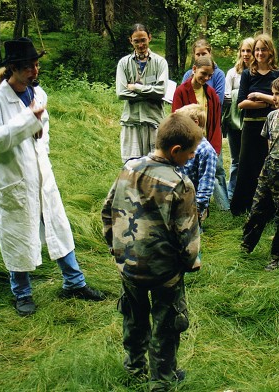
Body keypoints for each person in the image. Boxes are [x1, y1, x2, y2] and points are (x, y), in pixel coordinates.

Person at [0, 37, 105, 317]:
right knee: (17, 233)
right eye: (29, 67)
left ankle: (74, 282)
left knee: (58, 226)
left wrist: (39, 136)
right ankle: (21, 293)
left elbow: (41, 132)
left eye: (36, 65)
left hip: (41, 174)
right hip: (13, 177)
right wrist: (27, 121)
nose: (35, 71)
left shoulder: (38, 93)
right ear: (12, 68)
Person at [101, 112, 202, 391]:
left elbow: (108, 208)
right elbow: (188, 233)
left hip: (128, 265)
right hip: (163, 272)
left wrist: (114, 245)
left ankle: (134, 367)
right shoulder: (180, 184)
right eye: (191, 153)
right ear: (175, 151)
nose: (192, 157)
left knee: (133, 317)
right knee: (167, 324)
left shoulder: (129, 168)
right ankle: (161, 379)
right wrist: (190, 262)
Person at [240, 75, 279, 271]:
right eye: (273, 93)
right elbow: (269, 143)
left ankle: (278, 255)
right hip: (268, 170)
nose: (273, 98)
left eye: (278, 94)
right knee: (257, 209)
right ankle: (246, 245)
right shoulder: (271, 117)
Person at [230, 34, 279, 216]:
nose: (260, 53)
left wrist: (260, 97)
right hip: (250, 125)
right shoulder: (248, 73)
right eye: (257, 50)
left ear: (271, 51)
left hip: (272, 127)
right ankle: (242, 206)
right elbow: (241, 103)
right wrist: (268, 102)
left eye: (263, 49)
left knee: (267, 165)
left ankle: (266, 209)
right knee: (246, 164)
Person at [181, 39, 229, 210]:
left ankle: (223, 206)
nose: (201, 55)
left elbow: (218, 101)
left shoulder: (217, 77)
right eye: (198, 54)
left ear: (210, 53)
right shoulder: (186, 79)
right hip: (190, 133)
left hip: (209, 130)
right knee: (191, 169)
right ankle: (191, 203)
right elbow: (179, 111)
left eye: (204, 53)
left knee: (217, 169)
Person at [172, 55, 222, 216]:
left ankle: (209, 207)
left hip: (205, 139)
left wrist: (215, 145)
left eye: (210, 76)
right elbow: (177, 117)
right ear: (194, 70)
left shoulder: (210, 92)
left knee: (210, 174)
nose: (206, 78)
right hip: (188, 140)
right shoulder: (181, 90)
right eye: (203, 74)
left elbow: (215, 120)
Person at [116, 23, 168, 162]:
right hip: (131, 121)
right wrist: (150, 93)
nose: (140, 45)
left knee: (156, 163)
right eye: (136, 41)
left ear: (149, 38)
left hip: (154, 120)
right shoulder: (123, 63)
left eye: (143, 40)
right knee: (132, 164)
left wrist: (136, 88)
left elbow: (161, 91)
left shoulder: (160, 62)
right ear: (130, 41)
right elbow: (121, 93)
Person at [223, 37, 254, 200]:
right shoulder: (233, 73)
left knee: (249, 159)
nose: (246, 54)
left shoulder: (257, 73)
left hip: (250, 120)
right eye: (243, 50)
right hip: (234, 122)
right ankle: (231, 192)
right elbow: (227, 96)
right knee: (236, 159)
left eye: (249, 50)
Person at [176, 104, 218, 226]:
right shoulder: (181, 145)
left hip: (193, 205)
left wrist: (198, 208)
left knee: (190, 238)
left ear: (195, 123)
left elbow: (206, 182)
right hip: (177, 200)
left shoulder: (206, 150)